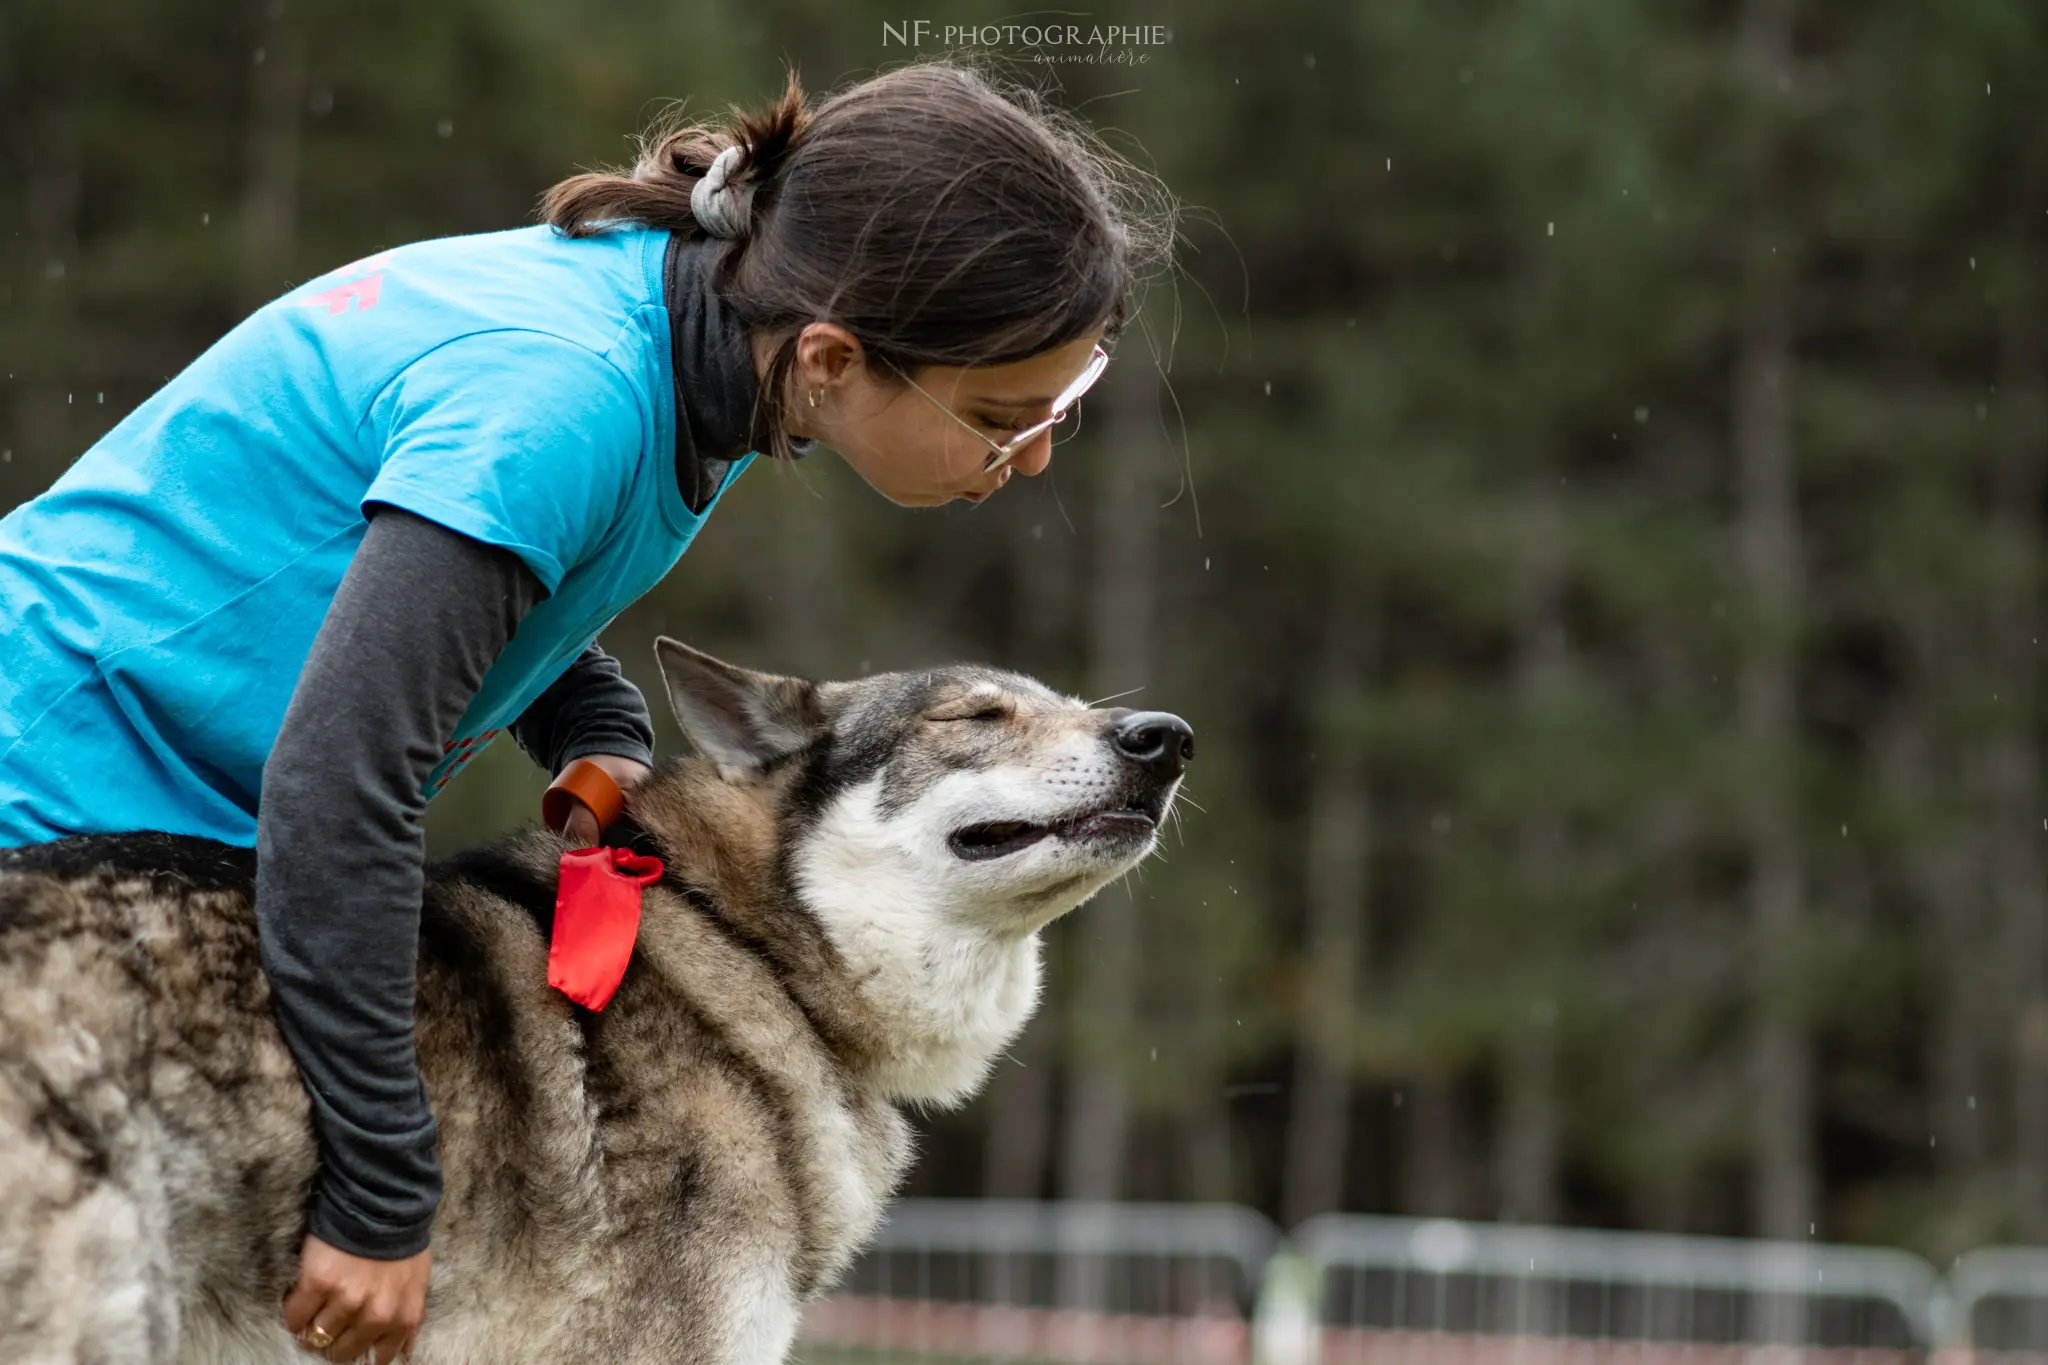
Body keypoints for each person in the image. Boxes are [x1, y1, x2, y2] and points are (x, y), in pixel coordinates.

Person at [0, 57, 1174, 1365]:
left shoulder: (698, 355)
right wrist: (386, 1196)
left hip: (154, 840)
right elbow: (340, 787)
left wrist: (592, 727)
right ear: (837, 358)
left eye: (1062, 407)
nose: (1040, 456)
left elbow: (462, 586)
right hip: (55, 813)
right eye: (1008, 418)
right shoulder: (566, 395)